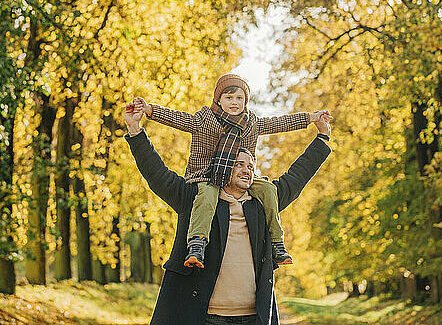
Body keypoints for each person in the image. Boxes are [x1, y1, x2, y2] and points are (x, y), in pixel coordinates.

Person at [123, 102, 333, 325]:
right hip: (203, 317)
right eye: (239, 164)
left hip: (253, 317)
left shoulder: (262, 203)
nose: (246, 170)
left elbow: (297, 176)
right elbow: (158, 174)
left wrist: (322, 137)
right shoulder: (195, 198)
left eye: (251, 166)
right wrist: (136, 131)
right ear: (224, 166)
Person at [133, 74, 330, 268]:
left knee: (269, 190)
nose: (234, 102)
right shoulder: (205, 121)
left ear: (246, 101)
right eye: (228, 97)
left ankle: (277, 244)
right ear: (218, 100)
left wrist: (311, 118)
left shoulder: (252, 124)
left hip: (244, 180)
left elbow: (280, 123)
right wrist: (149, 110)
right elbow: (178, 119)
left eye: (239, 98)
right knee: (207, 196)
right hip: (207, 176)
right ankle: (197, 243)